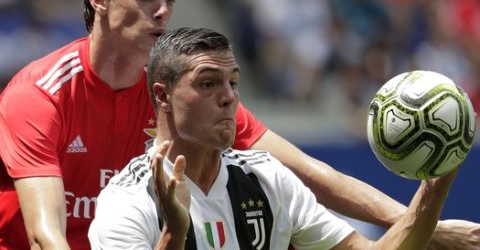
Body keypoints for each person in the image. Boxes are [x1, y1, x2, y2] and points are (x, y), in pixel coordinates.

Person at [0, 0, 478, 249]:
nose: (163, 11)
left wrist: (422, 225)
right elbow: (46, 238)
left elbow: (309, 173)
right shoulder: (39, 96)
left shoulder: (181, 91)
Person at [88, 27, 458, 249]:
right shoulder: (127, 202)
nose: (228, 97)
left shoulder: (267, 179)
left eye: (233, 83)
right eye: (207, 84)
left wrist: (434, 186)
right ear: (163, 95)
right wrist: (174, 232)